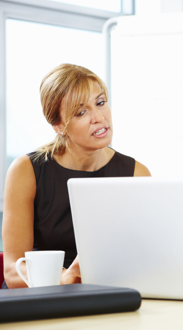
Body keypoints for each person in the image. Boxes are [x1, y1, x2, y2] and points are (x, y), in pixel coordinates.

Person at [2, 64, 151, 289]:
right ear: (59, 125)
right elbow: (13, 272)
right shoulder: (26, 170)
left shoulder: (137, 174)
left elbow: (146, 259)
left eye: (100, 103)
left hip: (107, 292)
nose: (99, 117)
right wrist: (62, 279)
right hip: (43, 294)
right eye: (81, 112)